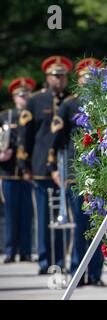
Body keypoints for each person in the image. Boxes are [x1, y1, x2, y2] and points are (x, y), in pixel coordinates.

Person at [48, 58, 105, 285]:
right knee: (81, 226)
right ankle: (78, 273)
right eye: (86, 78)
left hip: (102, 174)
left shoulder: (106, 103)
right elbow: (56, 141)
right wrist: (53, 168)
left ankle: (96, 274)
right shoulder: (70, 105)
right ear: (79, 81)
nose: (90, 81)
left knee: (99, 226)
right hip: (76, 173)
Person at [17, 55, 72, 274]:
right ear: (47, 77)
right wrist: (24, 165)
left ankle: (60, 260)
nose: (58, 79)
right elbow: (25, 135)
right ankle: (44, 260)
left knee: (63, 218)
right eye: (55, 75)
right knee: (43, 217)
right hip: (40, 167)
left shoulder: (72, 100)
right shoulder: (35, 101)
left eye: (62, 76)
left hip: (66, 167)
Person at [1, 78, 36, 263]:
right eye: (20, 95)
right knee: (10, 214)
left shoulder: (33, 115)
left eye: (26, 94)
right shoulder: (5, 116)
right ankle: (9, 250)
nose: (23, 98)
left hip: (28, 172)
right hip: (8, 172)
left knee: (27, 214)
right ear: (14, 97)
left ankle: (26, 251)